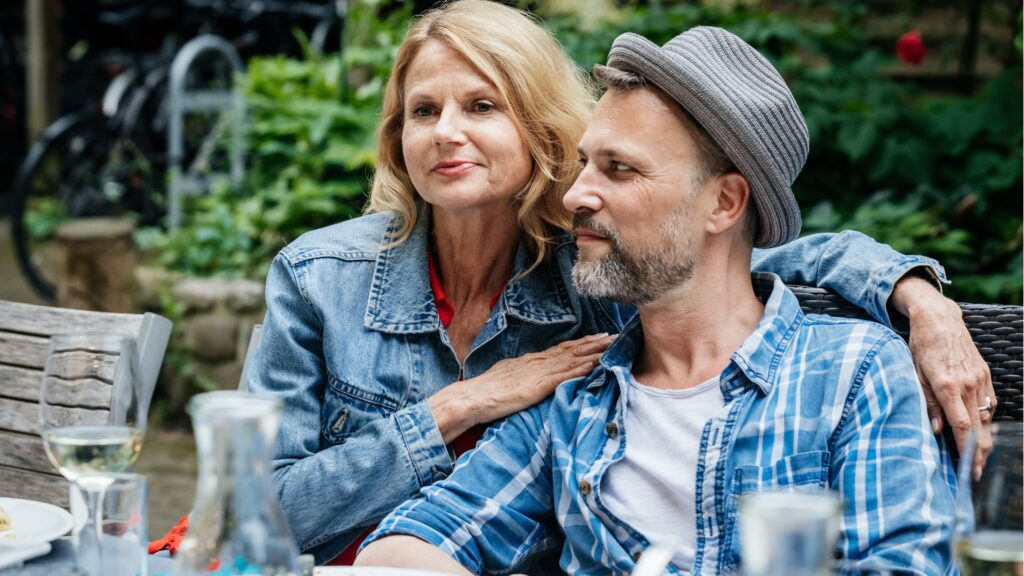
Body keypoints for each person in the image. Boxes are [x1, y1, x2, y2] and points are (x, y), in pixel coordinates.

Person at [150, 0, 991, 565]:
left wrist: (916, 296)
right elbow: (280, 517)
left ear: (538, 129)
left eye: (482, 107)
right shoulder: (329, 279)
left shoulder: (594, 274)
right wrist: (458, 407)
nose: (445, 133)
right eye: (422, 111)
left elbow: (742, 267)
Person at [356, 26, 958, 575]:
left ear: (724, 203)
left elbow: (906, 567)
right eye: (586, 163)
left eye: (619, 169)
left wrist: (919, 296)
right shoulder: (574, 396)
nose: (576, 196)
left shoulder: (852, 374)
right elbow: (411, 542)